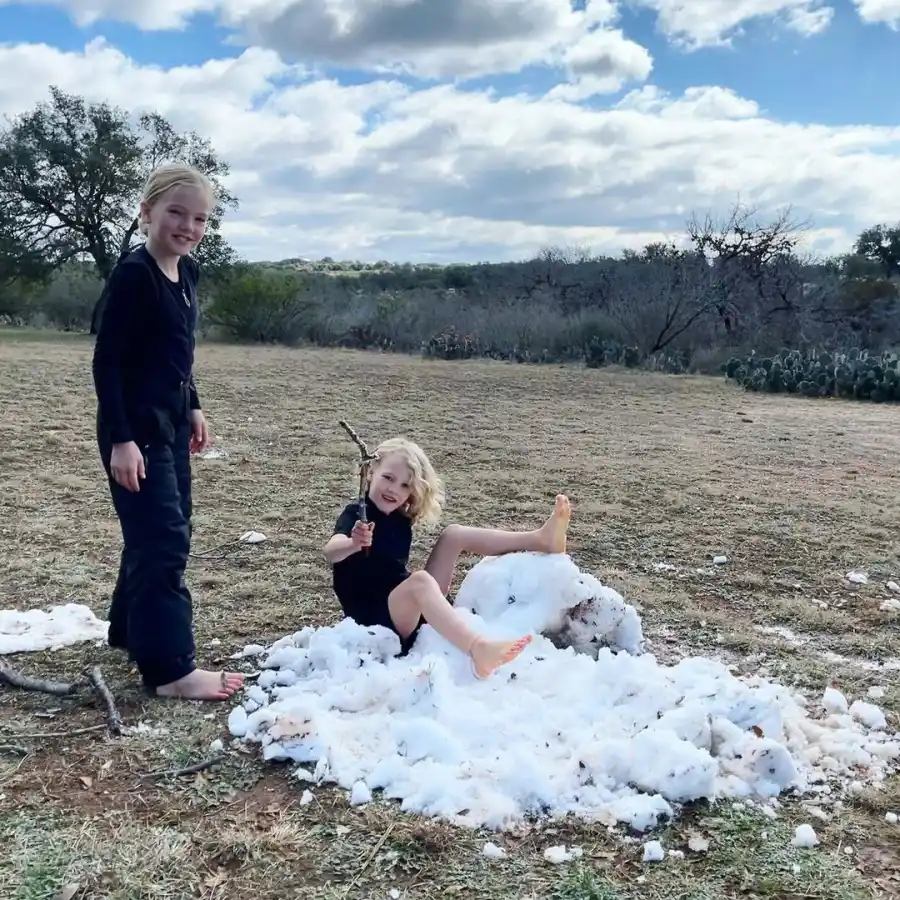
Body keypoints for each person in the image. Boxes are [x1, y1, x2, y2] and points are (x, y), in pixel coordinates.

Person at [91, 162, 244, 701]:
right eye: (176, 212)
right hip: (137, 429)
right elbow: (107, 362)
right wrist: (120, 439)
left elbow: (176, 355)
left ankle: (129, 630)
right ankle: (170, 670)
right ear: (147, 211)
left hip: (173, 423)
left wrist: (194, 406)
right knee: (163, 542)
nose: (187, 226)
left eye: (199, 218)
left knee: (161, 529)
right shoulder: (134, 274)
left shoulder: (189, 273)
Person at [323, 437, 571, 679]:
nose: (393, 489)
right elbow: (332, 551)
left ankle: (540, 540)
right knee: (420, 581)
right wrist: (353, 543)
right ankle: (479, 649)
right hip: (374, 620)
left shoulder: (400, 519)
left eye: (405, 485)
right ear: (370, 474)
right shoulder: (357, 514)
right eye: (388, 478)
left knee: (454, 535)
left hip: (406, 604)